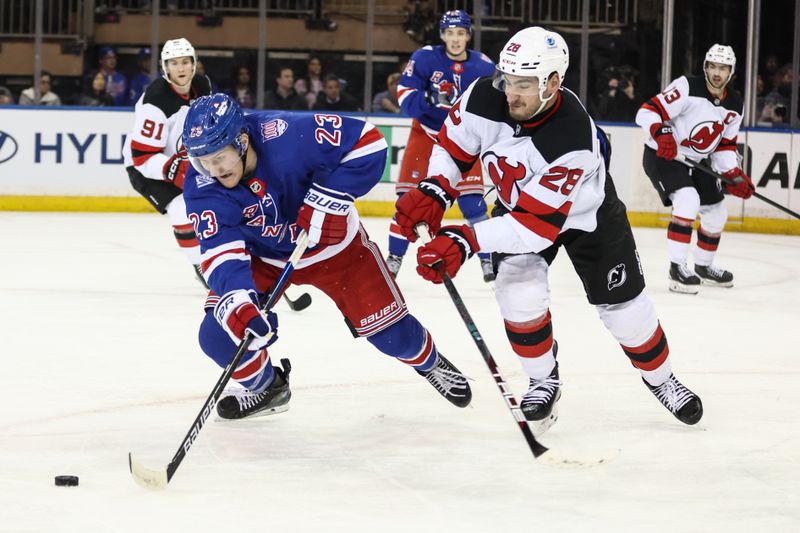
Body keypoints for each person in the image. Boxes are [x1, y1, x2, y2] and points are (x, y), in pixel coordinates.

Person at [394, 26, 703, 431]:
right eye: (507, 80)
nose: (511, 93)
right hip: (519, 209)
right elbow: (454, 146)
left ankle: (662, 381)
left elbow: (535, 228)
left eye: (524, 84)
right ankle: (543, 379)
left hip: (587, 218)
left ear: (554, 82)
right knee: (518, 298)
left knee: (626, 313)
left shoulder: (572, 136)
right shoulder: (484, 94)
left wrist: (463, 239)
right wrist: (435, 189)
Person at [180, 93, 471, 419]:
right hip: (266, 260)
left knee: (393, 337)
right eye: (202, 160)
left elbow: (369, 142)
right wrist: (239, 301)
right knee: (219, 335)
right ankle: (267, 388)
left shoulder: (288, 135)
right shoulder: (202, 184)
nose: (213, 169)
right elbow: (220, 251)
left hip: (338, 252)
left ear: (243, 140)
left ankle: (429, 362)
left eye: (219, 157)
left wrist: (328, 200)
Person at [388, 10, 496, 283]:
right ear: (442, 35)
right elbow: (406, 96)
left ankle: (487, 259)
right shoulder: (425, 57)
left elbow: (497, 106)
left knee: (472, 204)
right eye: (450, 33)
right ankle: (394, 257)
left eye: (460, 33)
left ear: (468, 35)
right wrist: (433, 108)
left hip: (464, 141)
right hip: (425, 136)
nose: (455, 39)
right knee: (408, 202)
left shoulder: (484, 66)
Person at [636, 44, 752, 294]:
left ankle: (703, 266)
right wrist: (662, 133)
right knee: (687, 199)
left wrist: (733, 173)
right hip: (664, 154)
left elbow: (724, 145)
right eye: (713, 66)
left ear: (731, 72)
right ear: (706, 67)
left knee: (717, 211)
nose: (717, 73)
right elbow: (647, 111)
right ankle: (677, 269)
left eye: (723, 68)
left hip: (697, 161)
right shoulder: (687, 86)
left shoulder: (735, 104)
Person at [122, 38, 212, 287]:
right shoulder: (155, 101)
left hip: (184, 159)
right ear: (165, 68)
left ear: (193, 64)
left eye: (185, 62)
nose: (181, 69)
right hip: (147, 167)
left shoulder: (202, 85)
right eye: (174, 64)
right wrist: (173, 169)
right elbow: (142, 157)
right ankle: (201, 267)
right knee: (182, 209)